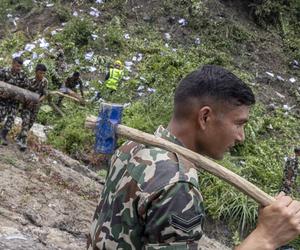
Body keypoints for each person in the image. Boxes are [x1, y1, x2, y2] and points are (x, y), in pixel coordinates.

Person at [87, 65, 300, 249]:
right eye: (239, 123)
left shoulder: (133, 147)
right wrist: (266, 237)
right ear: (205, 117)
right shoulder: (178, 183)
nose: (241, 137)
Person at [16, 63, 48, 151]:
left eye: (43, 73)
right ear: (36, 72)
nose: (42, 75)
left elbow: (45, 94)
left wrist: (38, 100)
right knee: (26, 122)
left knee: (30, 123)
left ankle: (19, 137)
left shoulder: (45, 81)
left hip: (36, 106)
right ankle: (23, 142)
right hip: (27, 105)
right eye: (40, 73)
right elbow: (23, 93)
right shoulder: (29, 80)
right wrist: (26, 101)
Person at [0, 57, 28, 145]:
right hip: (2, 99)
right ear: (12, 64)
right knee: (1, 115)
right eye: (17, 66)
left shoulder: (23, 75)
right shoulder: (4, 71)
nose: (18, 68)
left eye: (20, 67)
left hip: (15, 101)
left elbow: (25, 88)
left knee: (11, 118)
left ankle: (3, 136)